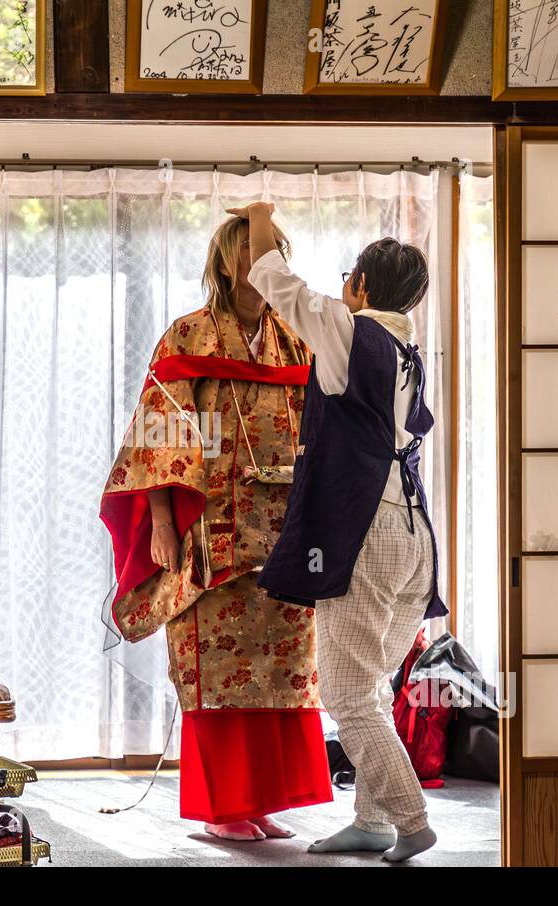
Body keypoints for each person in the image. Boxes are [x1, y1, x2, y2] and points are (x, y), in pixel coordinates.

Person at [99, 215, 332, 841]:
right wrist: (161, 521)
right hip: (211, 531)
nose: (266, 259)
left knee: (280, 670)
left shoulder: (293, 340)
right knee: (217, 672)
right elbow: (159, 435)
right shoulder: (187, 338)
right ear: (229, 262)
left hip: (282, 533)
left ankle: (263, 801)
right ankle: (224, 810)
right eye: (256, 250)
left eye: (275, 249)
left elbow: (322, 431)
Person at [234, 201, 446, 863]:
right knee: (373, 688)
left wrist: (260, 213)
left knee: (348, 692)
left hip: (367, 531)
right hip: (415, 537)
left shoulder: (348, 331)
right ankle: (375, 822)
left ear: (358, 286)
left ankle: (411, 819)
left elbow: (271, 275)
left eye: (348, 279)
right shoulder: (409, 353)